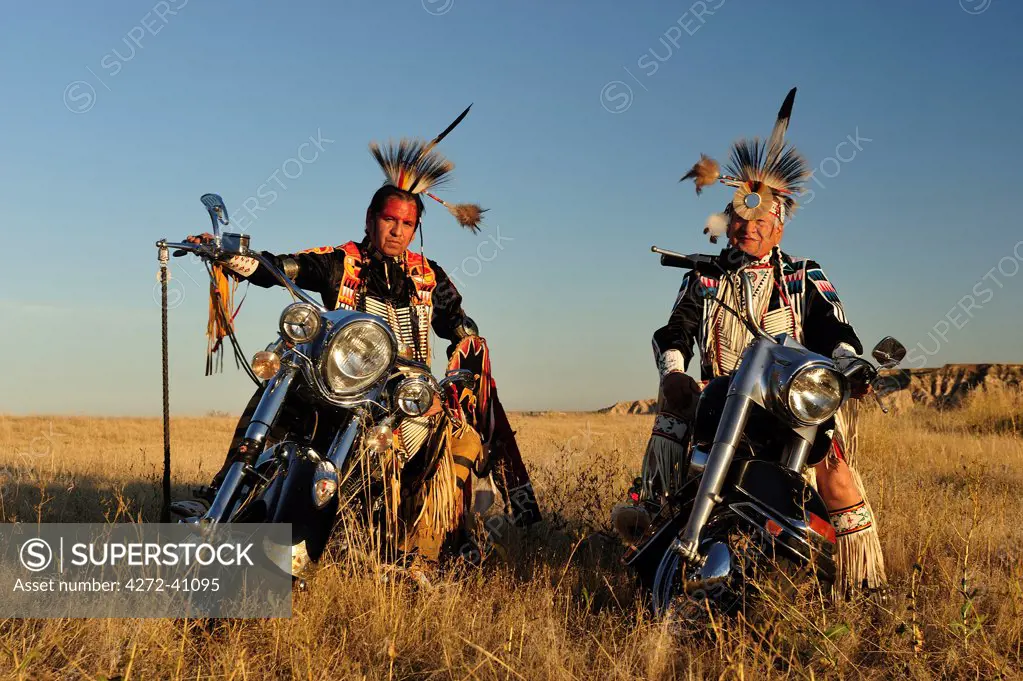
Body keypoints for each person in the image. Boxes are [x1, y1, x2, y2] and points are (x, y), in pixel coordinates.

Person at [175, 106, 540, 571]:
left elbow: (462, 328)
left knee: (458, 440)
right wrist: (233, 257)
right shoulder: (340, 261)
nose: (397, 230)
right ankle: (225, 495)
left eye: (407, 224)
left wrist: (456, 375)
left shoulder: (431, 277)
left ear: (415, 228)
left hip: (402, 397)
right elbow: (283, 267)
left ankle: (420, 554)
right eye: (390, 220)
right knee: (275, 391)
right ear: (370, 218)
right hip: (340, 385)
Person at [615, 88, 885, 596]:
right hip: (722, 402)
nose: (747, 229)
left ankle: (864, 584)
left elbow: (834, 328)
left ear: (778, 228)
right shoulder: (704, 276)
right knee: (677, 403)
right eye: (739, 219)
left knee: (838, 479)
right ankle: (652, 511)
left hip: (792, 404)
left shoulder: (804, 275)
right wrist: (674, 368)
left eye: (760, 222)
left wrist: (849, 359)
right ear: (728, 221)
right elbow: (674, 330)